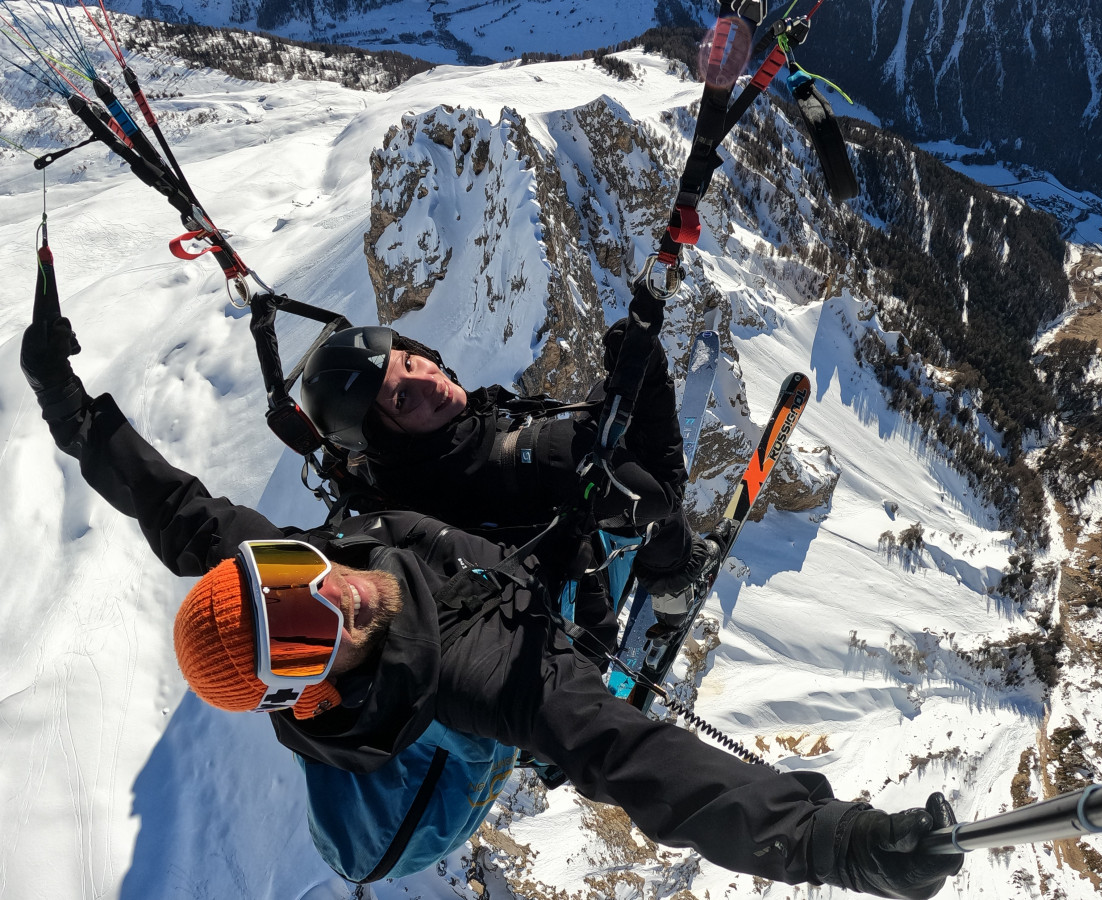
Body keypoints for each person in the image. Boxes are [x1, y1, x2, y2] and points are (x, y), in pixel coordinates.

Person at [22, 257, 964, 899]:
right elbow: (643, 769)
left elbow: (180, 515)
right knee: (624, 567)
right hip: (519, 654)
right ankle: (638, 618)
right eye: (310, 635)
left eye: (293, 579)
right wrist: (834, 844)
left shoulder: (322, 570)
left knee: (610, 502)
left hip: (475, 562)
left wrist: (68, 409)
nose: (333, 598)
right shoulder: (485, 674)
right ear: (308, 693)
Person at [296, 281, 724, 642]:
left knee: (603, 404)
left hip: (536, 588)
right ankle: (675, 589)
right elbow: (664, 496)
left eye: (409, 361)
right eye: (402, 397)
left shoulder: (393, 479)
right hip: (580, 623)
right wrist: (649, 375)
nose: (428, 379)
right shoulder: (546, 455)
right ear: (386, 438)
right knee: (646, 491)